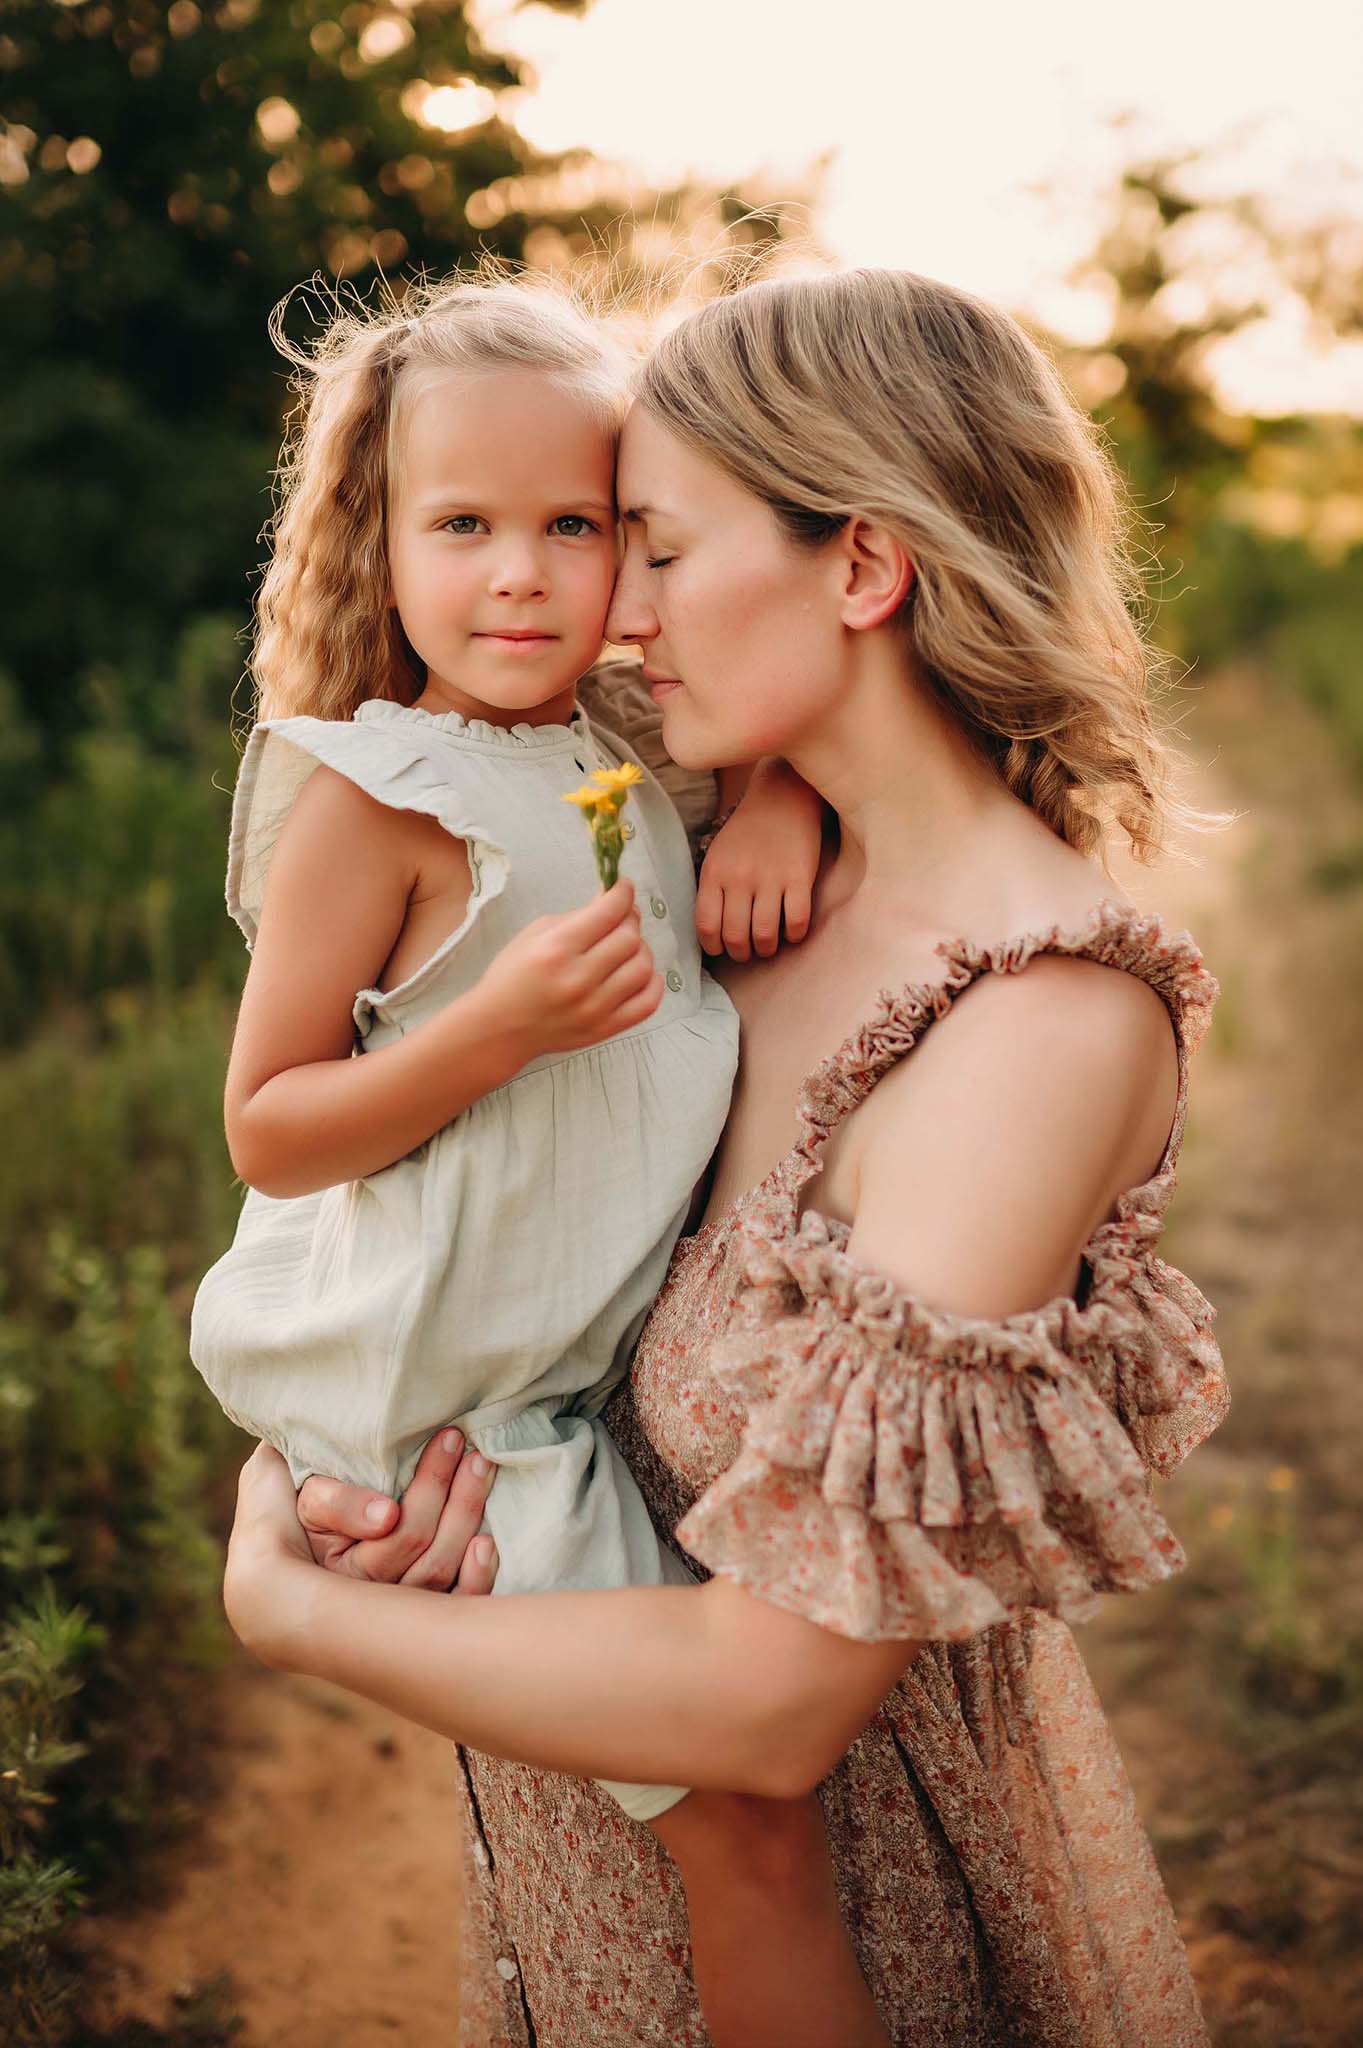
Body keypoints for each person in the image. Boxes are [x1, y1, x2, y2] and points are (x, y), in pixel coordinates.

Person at [223, 267, 1230, 2048]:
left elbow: (772, 1715)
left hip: (852, 1917)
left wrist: (293, 1611)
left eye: (652, 549)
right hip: (586, 1864)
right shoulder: (732, 896)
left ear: (860, 565)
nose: (614, 616)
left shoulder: (1037, 1023)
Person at [189, 271, 893, 2047]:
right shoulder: (374, 791)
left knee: (707, 1830)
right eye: (465, 524)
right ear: (383, 540)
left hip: (564, 1399)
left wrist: (793, 796)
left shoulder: (620, 759)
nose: (519, 572)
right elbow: (266, 1118)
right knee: (751, 1834)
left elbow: (763, 758)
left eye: (572, 523)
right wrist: (486, 1033)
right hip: (459, 1419)